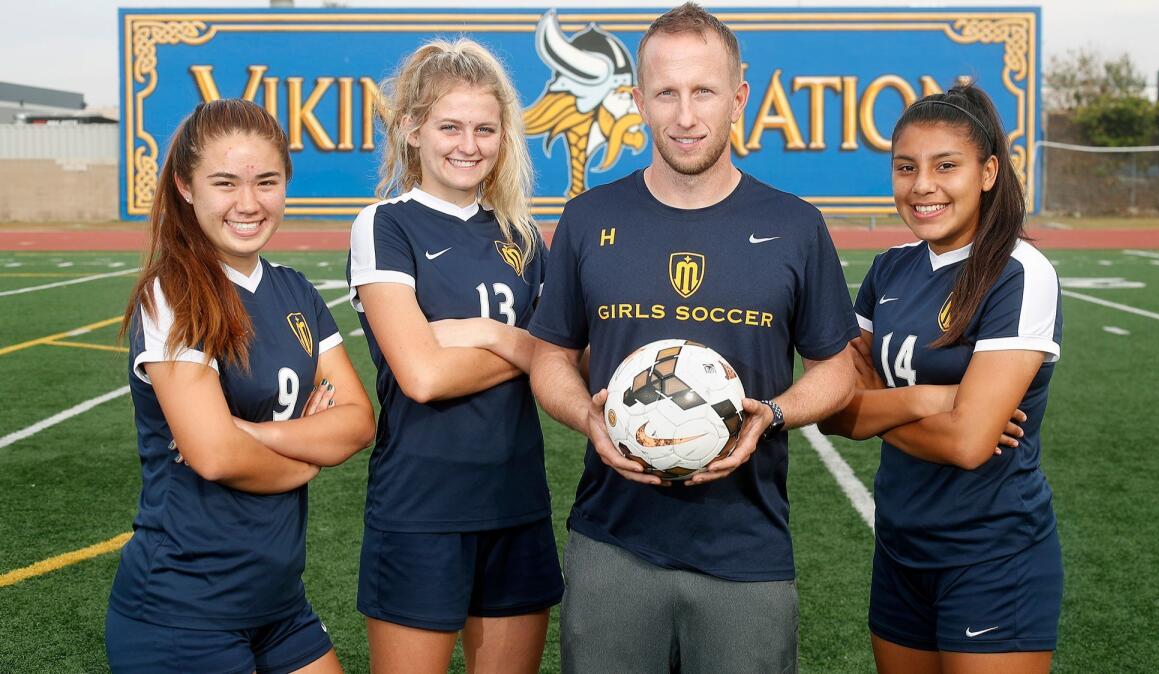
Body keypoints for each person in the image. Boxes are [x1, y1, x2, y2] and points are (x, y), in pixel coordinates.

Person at [528, 3, 859, 672]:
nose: (685, 115)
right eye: (666, 92)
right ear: (638, 100)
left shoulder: (795, 226)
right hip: (611, 543)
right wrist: (583, 416)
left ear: (739, 96)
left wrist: (772, 414)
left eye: (704, 90)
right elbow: (550, 358)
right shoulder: (589, 219)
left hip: (748, 549)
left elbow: (838, 368)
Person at [106, 98, 376, 673]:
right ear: (185, 185)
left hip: (278, 601)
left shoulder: (296, 291)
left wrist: (253, 431)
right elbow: (214, 456)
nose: (248, 204)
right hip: (183, 608)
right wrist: (305, 455)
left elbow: (356, 421)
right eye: (225, 183)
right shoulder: (173, 293)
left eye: (267, 182)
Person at [818, 82, 1064, 673]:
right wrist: (931, 398)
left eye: (945, 166)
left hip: (992, 554)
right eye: (906, 168)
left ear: (987, 173)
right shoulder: (889, 267)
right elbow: (832, 410)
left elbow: (967, 443)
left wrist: (877, 404)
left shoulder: (1018, 272)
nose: (922, 185)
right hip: (901, 548)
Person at [346, 39, 561, 674]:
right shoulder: (385, 224)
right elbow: (423, 376)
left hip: (516, 501)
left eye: (484, 129)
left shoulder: (524, 236)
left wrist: (490, 334)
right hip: (421, 507)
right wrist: (523, 345)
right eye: (449, 126)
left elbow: (561, 363)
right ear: (411, 128)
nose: (468, 144)